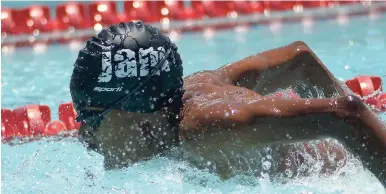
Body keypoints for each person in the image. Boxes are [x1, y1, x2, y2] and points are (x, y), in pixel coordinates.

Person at [70, 21, 386, 185]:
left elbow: (346, 115)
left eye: (94, 120)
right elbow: (299, 59)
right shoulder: (191, 89)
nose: (84, 137)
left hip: (330, 178)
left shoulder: (206, 128)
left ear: (140, 114)